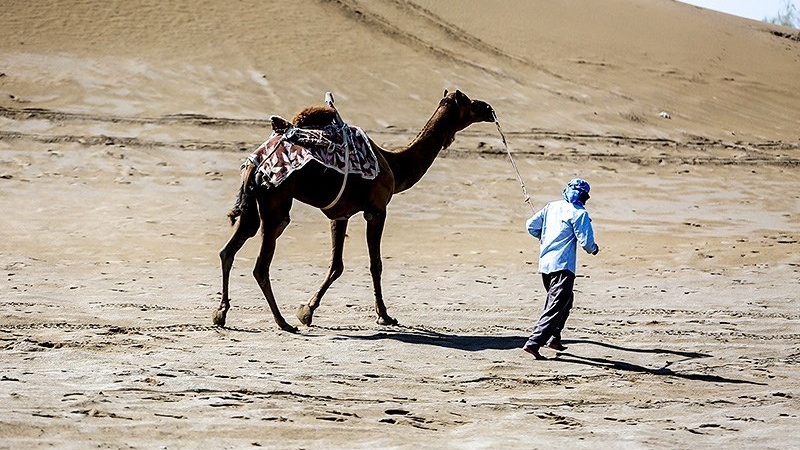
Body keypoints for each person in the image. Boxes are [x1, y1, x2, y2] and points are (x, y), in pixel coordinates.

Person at [523, 178, 599, 360]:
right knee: (556, 305)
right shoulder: (579, 213)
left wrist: (544, 236)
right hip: (563, 266)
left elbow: (531, 226)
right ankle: (534, 342)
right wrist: (594, 249)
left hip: (546, 265)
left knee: (566, 300)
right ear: (585, 196)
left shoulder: (552, 206)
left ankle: (554, 338)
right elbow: (587, 243)